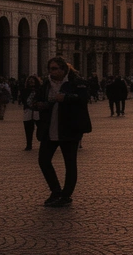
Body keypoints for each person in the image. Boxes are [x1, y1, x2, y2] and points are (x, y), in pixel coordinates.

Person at [33, 58, 93, 207]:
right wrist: (38, 105)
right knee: (43, 160)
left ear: (63, 70)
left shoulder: (76, 82)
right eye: (50, 69)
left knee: (70, 164)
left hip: (69, 128)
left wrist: (66, 97)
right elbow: (36, 100)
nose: (51, 72)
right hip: (49, 128)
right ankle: (56, 191)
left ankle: (66, 195)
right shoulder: (46, 84)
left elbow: (84, 98)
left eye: (54, 69)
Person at [20, 75, 42, 150]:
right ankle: (28, 145)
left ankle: (41, 139)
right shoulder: (25, 90)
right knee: (28, 129)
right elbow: (22, 99)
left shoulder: (40, 90)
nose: (31, 82)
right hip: (28, 111)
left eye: (33, 81)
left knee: (40, 127)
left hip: (37, 111)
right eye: (30, 81)